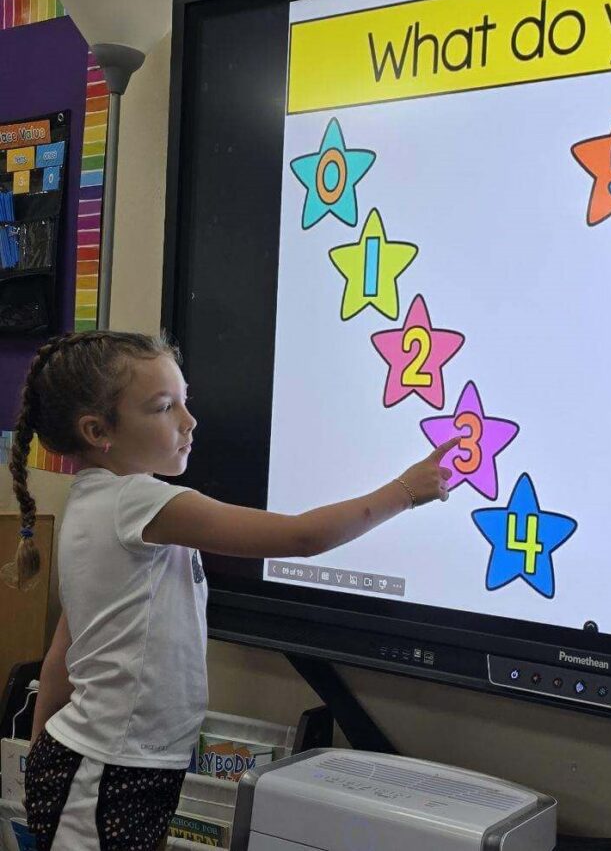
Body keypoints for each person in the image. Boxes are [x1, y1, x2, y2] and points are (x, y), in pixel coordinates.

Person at [10, 331, 457, 851]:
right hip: (105, 768)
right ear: (97, 431)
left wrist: (38, 754)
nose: (188, 421)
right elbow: (301, 537)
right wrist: (404, 491)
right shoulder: (135, 501)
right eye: (163, 407)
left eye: (185, 401)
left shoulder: (95, 505)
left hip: (111, 762)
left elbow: (67, 650)